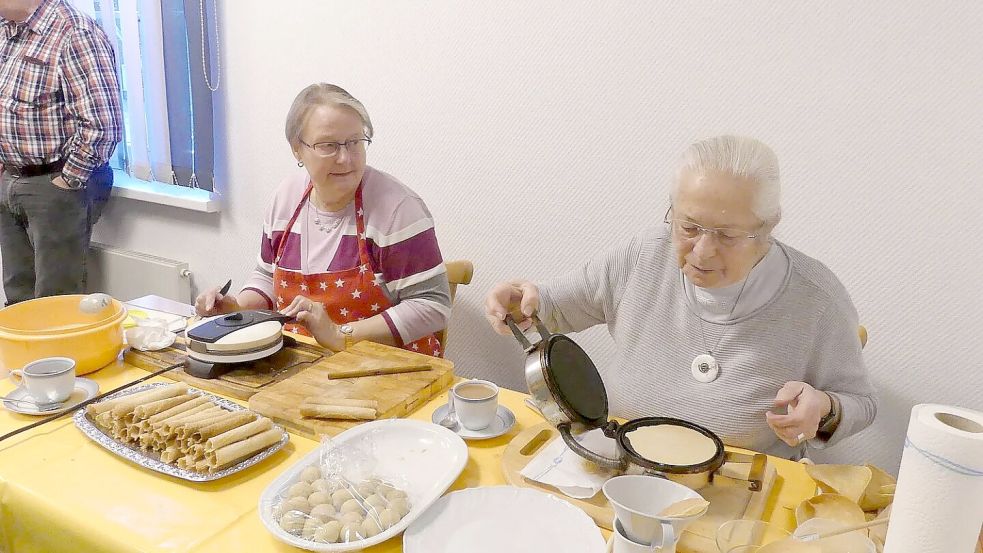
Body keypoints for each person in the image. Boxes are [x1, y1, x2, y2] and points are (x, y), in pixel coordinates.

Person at [485, 135, 876, 457]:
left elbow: (860, 401)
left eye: (726, 235)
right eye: (689, 227)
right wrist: (521, 302)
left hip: (737, 485)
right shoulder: (644, 255)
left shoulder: (816, 299)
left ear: (769, 225)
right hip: (624, 459)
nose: (703, 251)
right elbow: (553, 308)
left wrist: (825, 408)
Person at [196, 84, 449, 356]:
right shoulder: (286, 197)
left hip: (385, 369)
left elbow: (432, 306)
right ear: (297, 149)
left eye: (355, 142)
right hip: (303, 360)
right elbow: (268, 276)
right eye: (328, 145)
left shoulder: (397, 209)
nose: (345, 158)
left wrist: (341, 335)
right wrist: (237, 308)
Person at [0, 0, 122, 305]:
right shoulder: (7, 30)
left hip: (55, 183)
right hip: (11, 178)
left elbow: (103, 124)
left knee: (56, 301)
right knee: (18, 296)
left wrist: (67, 182)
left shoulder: (74, 33)